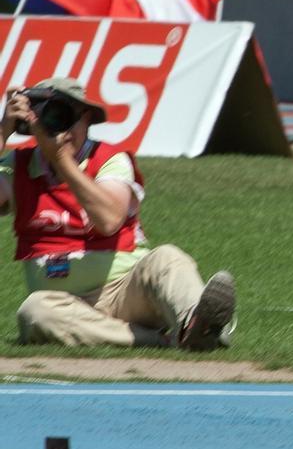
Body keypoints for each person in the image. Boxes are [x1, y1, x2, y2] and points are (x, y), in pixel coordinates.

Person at [1, 78, 236, 350]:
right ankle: (167, 341)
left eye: (66, 117)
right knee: (34, 312)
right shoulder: (20, 163)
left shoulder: (110, 159)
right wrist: (3, 131)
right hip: (63, 303)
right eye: (50, 118)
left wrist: (61, 160)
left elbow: (109, 220)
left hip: (126, 290)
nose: (60, 130)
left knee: (167, 258)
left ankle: (196, 324)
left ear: (86, 119)